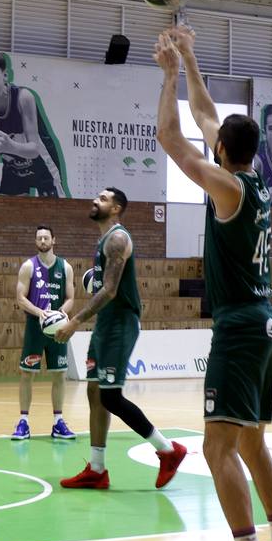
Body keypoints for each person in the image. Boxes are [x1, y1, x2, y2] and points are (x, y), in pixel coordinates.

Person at [154, 26, 272, 541]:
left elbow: (172, 134)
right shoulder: (256, 180)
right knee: (251, 441)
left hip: (241, 326)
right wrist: (191, 56)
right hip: (266, 323)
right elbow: (205, 112)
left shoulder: (225, 186)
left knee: (217, 447)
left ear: (222, 153)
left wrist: (167, 71)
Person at [52, 188, 184, 490]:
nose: (95, 200)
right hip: (105, 324)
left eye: (103, 198)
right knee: (95, 393)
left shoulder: (118, 239)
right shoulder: (104, 240)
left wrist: (73, 322)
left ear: (116, 208)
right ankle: (97, 470)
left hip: (120, 323)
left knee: (110, 396)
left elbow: (110, 290)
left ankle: (168, 450)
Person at [11, 225, 77, 441]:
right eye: (39, 238)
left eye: (46, 237)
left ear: (53, 240)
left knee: (59, 374)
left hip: (58, 329)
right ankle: (23, 422)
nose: (42, 241)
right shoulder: (28, 266)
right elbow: (20, 298)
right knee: (27, 373)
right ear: (35, 241)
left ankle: (58, 422)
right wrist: (41, 313)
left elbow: (70, 298)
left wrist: (59, 314)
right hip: (35, 327)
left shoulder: (65, 267)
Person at [0, 52, 67, 196]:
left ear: (5, 75)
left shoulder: (23, 98)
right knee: (8, 217)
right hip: (13, 169)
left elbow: (34, 149)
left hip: (42, 165)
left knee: (54, 216)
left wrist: (10, 146)